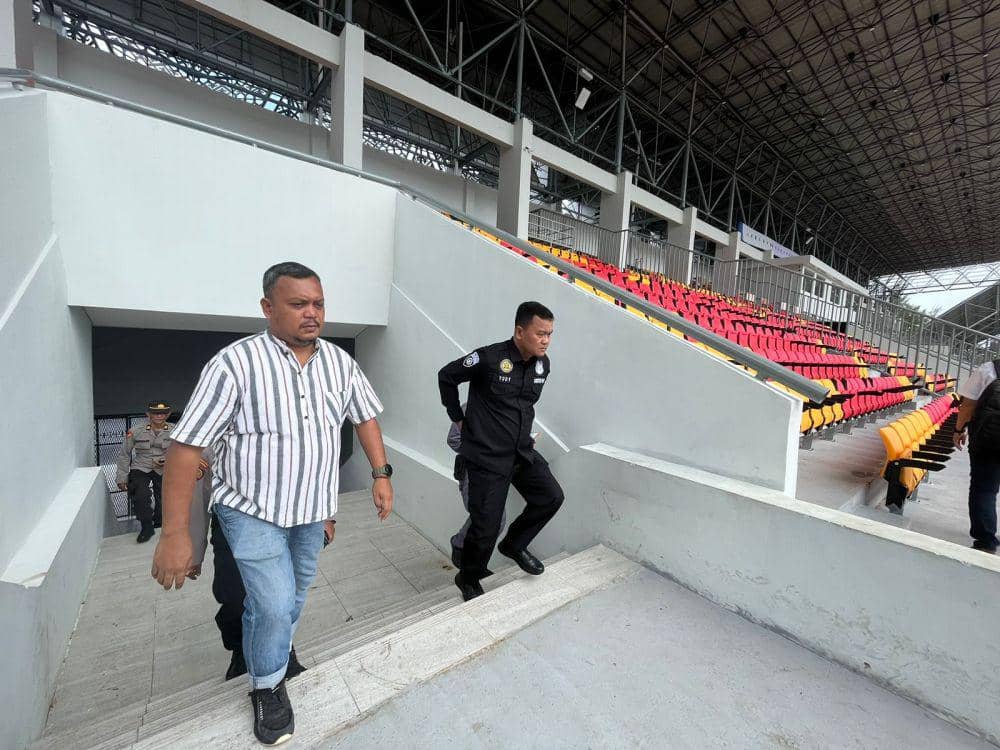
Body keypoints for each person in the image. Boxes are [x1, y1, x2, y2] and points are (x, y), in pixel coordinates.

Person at [150, 262, 394, 746]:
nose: (312, 314)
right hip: (250, 510)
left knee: (291, 598)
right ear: (268, 307)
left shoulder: (341, 364)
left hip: (312, 510)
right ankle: (267, 686)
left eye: (318, 304)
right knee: (276, 602)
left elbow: (364, 417)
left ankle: (267, 650)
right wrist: (174, 532)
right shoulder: (234, 364)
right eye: (298, 304)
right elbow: (186, 448)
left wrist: (381, 473)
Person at [438, 301, 564, 602]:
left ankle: (514, 545)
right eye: (540, 333)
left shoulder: (542, 365)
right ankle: (467, 576)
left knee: (551, 497)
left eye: (549, 334)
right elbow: (446, 375)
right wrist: (457, 415)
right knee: (486, 525)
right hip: (486, 458)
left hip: (521, 452)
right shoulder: (489, 358)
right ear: (520, 332)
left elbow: (522, 407)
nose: (546, 340)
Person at [186, 449, 331, 681]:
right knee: (232, 594)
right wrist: (194, 550)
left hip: (287, 519)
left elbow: (318, 462)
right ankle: (240, 651)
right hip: (233, 522)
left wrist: (326, 517)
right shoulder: (213, 431)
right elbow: (198, 491)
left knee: (282, 594)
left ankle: (285, 650)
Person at [953, 358, 1000, 553]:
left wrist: (959, 429)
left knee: (984, 488)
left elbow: (968, 406)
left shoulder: (989, 369)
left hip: (988, 439)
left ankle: (986, 539)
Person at [447, 414, 505, 570]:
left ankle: (476, 563)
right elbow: (453, 439)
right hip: (473, 473)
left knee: (496, 521)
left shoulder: (509, 409)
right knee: (490, 519)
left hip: (496, 474)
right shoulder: (470, 408)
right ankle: (468, 558)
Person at [115, 401, 174, 543]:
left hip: (164, 467)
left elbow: (182, 452)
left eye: (163, 413)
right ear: (148, 414)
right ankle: (146, 526)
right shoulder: (136, 431)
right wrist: (121, 477)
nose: (159, 416)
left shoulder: (176, 430)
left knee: (165, 497)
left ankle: (160, 524)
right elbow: (124, 454)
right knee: (140, 495)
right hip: (141, 466)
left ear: (168, 414)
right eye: (155, 413)